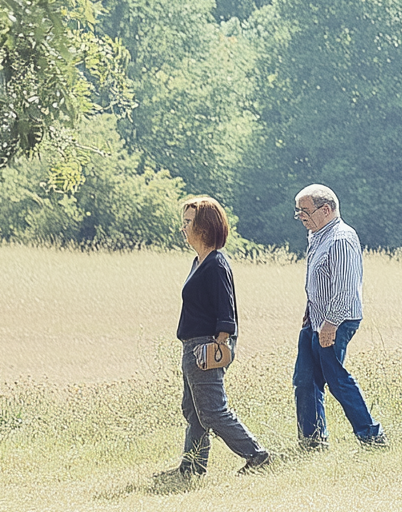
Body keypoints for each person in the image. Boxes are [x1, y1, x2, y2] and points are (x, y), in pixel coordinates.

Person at [161, 196, 273, 480]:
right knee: (193, 409)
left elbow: (226, 311)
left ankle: (256, 455)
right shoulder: (198, 262)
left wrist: (219, 346)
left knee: (212, 411)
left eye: (188, 222)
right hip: (192, 344)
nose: (182, 228)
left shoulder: (216, 264)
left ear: (204, 226)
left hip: (205, 345)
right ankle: (192, 467)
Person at [291, 184, 387, 451]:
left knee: (336, 379)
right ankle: (312, 442)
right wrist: (309, 315)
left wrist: (330, 325)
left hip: (337, 321)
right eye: (298, 211)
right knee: (304, 380)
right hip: (316, 320)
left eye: (305, 211)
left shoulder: (341, 238)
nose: (300, 216)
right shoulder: (317, 234)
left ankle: (371, 437)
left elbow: (345, 289)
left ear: (326, 209)